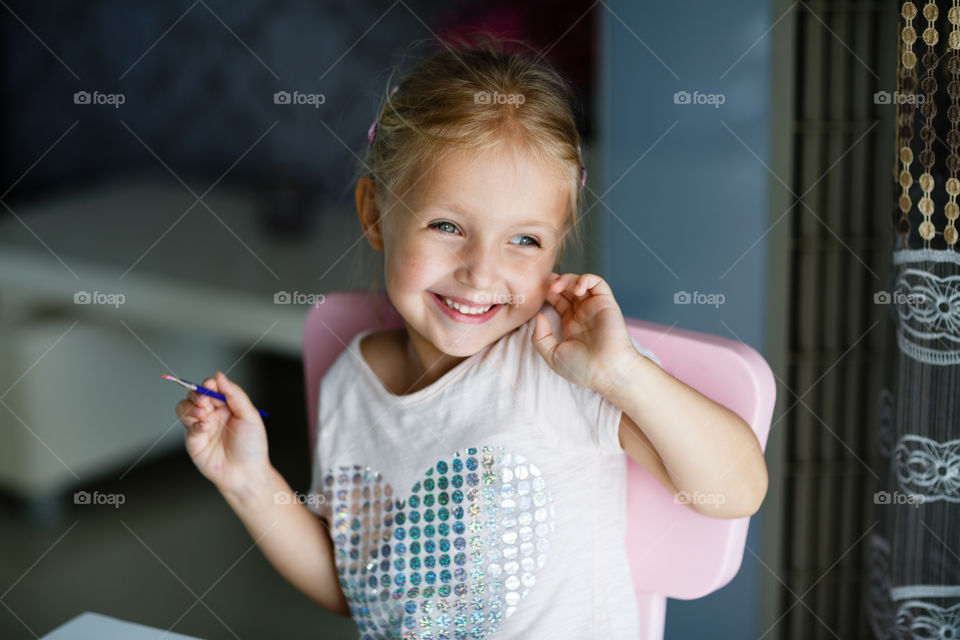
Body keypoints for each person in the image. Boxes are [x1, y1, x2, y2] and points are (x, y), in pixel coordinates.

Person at [176, 36, 768, 639]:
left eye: (524, 240)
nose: (481, 272)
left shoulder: (560, 369)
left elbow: (735, 490)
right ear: (376, 214)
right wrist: (248, 479)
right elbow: (356, 590)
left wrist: (625, 374)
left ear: (557, 247)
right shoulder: (348, 384)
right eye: (447, 226)